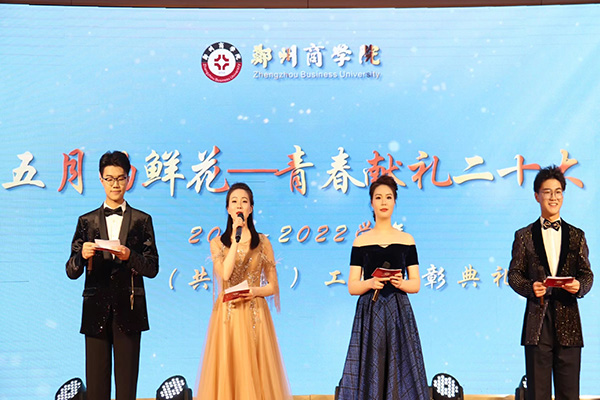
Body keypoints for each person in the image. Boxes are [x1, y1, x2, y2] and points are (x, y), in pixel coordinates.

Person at [66, 151, 159, 400]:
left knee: (126, 388)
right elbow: (71, 270)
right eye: (109, 179)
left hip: (130, 309)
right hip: (95, 310)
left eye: (120, 178)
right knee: (96, 388)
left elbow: (152, 268)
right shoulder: (86, 221)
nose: (115, 184)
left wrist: (130, 255)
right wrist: (81, 256)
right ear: (101, 179)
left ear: (129, 179)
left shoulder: (142, 220)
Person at [195, 182, 292, 400]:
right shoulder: (217, 243)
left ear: (251, 208)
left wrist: (255, 291)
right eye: (234, 201)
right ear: (228, 208)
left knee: (257, 374)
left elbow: (273, 286)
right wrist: (234, 240)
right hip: (227, 316)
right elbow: (225, 274)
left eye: (244, 201)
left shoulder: (263, 242)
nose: (239, 205)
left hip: (255, 313)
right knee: (229, 372)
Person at [337, 175, 429, 400]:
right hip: (370, 310)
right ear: (371, 203)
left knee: (400, 365)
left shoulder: (407, 240)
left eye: (388, 197)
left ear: (395, 201)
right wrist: (370, 282)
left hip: (399, 310)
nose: (384, 202)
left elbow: (416, 283)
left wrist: (401, 283)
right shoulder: (361, 241)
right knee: (371, 365)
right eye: (378, 197)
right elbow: (352, 286)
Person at [508, 166, 593, 400]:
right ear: (537, 196)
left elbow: (587, 274)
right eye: (547, 192)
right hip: (537, 324)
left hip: (569, 322)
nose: (553, 197)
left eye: (558, 192)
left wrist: (580, 286)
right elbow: (514, 274)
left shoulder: (577, 235)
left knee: (569, 394)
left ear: (563, 195)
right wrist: (530, 288)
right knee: (538, 394)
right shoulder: (524, 235)